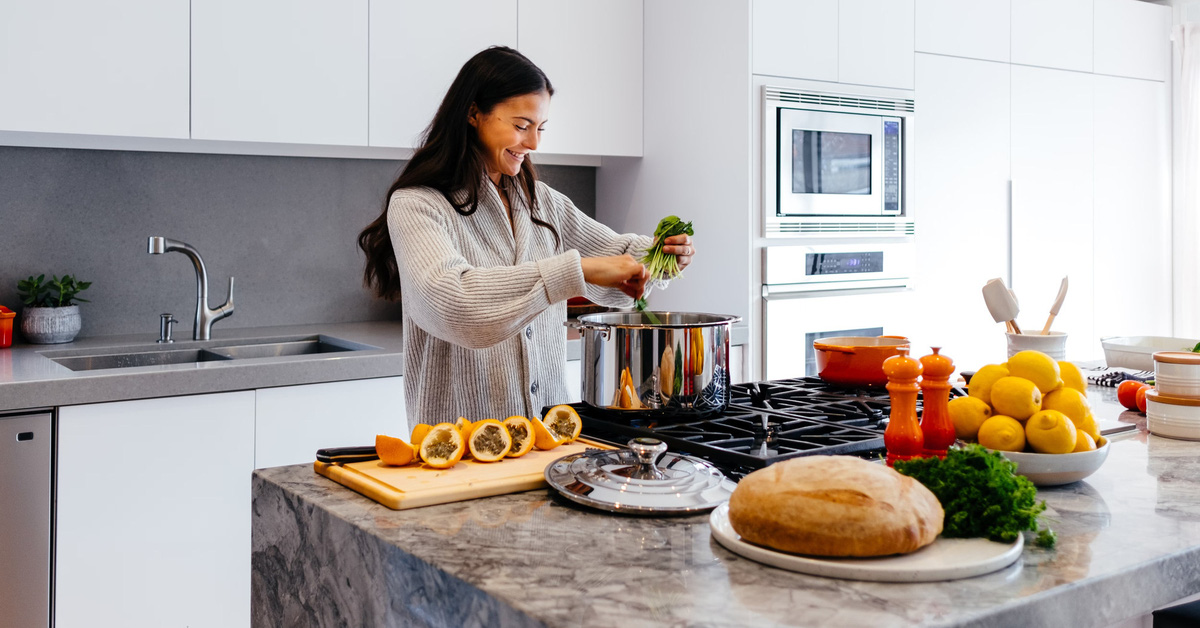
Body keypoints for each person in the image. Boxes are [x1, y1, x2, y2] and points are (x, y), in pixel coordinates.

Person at [358, 46, 695, 427]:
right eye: (521, 126)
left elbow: (615, 256)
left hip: (552, 437)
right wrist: (574, 271)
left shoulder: (542, 202)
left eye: (540, 128)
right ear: (473, 114)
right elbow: (454, 303)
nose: (534, 143)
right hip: (461, 446)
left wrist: (660, 256)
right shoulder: (418, 205)